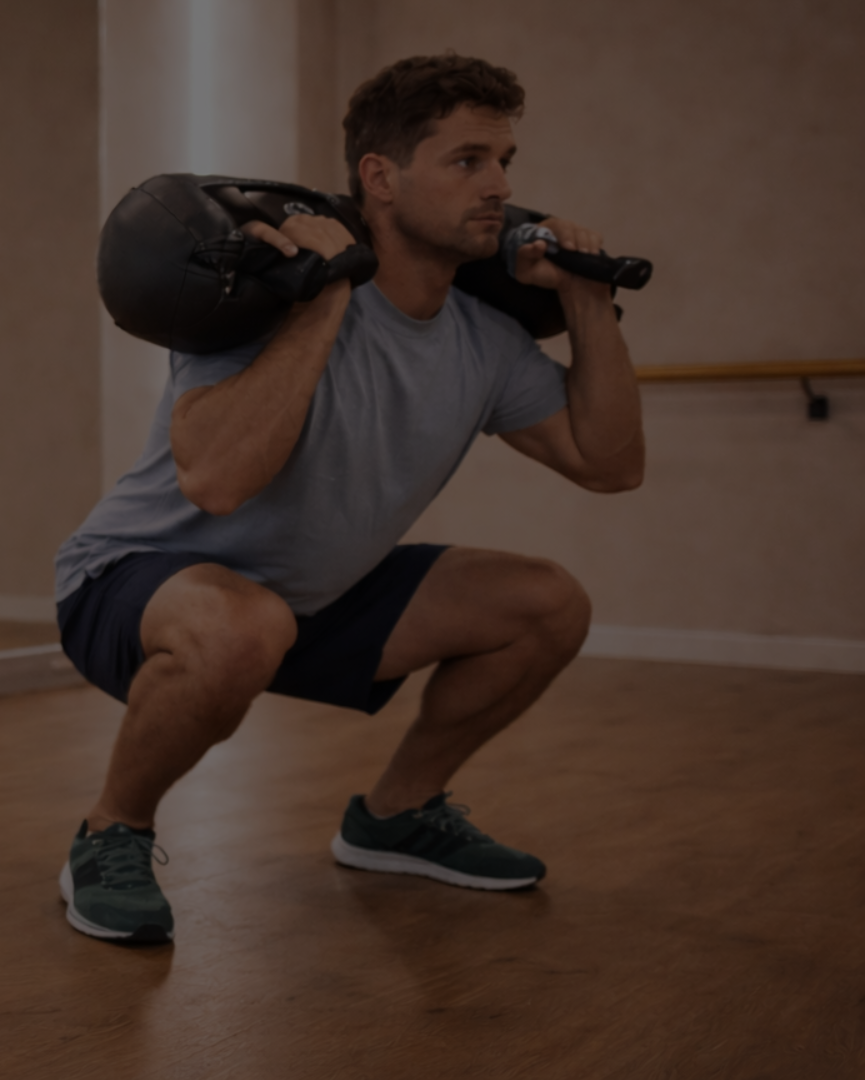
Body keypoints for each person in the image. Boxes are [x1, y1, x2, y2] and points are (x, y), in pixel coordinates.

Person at [53, 54, 643, 943]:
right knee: (241, 625)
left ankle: (396, 816)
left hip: (310, 599)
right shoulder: (263, 299)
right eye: (467, 160)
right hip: (137, 583)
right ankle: (110, 832)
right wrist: (326, 302)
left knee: (545, 603)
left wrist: (591, 304)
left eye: (505, 161)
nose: (499, 186)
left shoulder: (482, 340)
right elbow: (215, 483)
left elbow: (610, 463)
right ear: (380, 177)